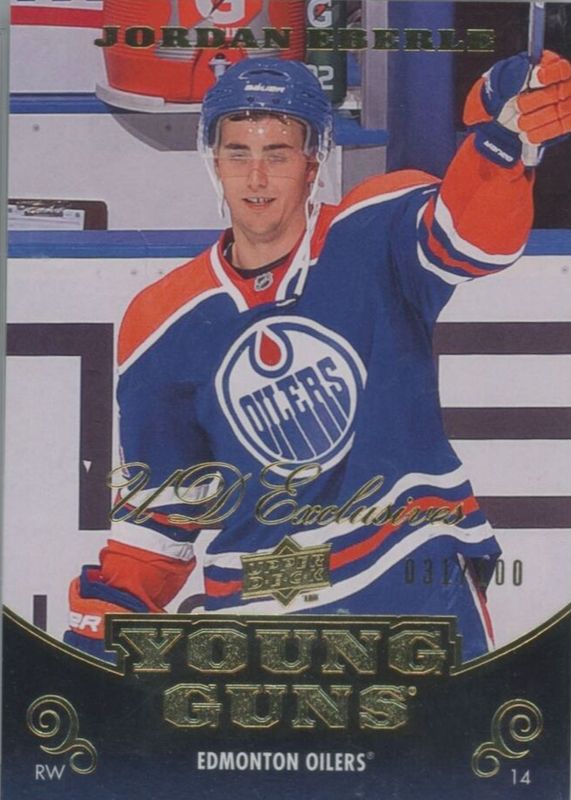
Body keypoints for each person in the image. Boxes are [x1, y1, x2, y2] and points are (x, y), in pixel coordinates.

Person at [65, 53, 571, 663]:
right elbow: (160, 521)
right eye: (238, 154)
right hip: (261, 618)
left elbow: (471, 239)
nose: (256, 179)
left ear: (314, 161)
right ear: (213, 161)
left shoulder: (373, 228)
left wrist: (502, 145)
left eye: (277, 154)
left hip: (412, 586)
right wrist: (98, 639)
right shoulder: (160, 321)